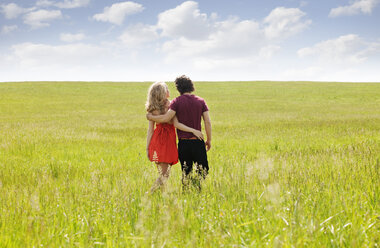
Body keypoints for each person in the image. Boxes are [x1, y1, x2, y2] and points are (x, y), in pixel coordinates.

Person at [147, 75, 211, 191]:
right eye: (166, 89)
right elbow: (206, 122)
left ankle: (178, 193)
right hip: (183, 142)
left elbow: (161, 122)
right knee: (166, 174)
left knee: (175, 173)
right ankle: (151, 194)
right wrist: (203, 137)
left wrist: (150, 117)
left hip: (172, 142)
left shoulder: (170, 104)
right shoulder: (177, 104)